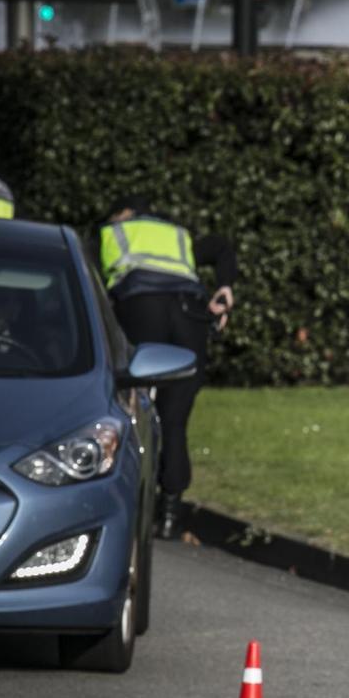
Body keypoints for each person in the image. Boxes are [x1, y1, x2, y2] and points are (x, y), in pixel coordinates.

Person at [94, 199, 237, 538]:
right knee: (175, 417)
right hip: (189, 315)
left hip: (142, 310)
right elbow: (220, 247)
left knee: (127, 406)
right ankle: (170, 514)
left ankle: (125, 503)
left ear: (123, 214)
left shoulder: (111, 232)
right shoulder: (177, 235)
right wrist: (225, 288)